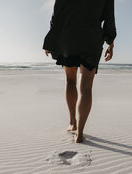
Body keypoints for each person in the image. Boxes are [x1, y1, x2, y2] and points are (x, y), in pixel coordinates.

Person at [43, 0, 117, 143]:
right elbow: (109, 19)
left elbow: (57, 13)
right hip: (92, 38)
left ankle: (73, 123)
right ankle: (80, 134)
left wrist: (52, 38)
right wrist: (111, 43)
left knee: (70, 82)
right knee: (86, 88)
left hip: (68, 36)